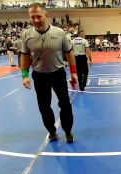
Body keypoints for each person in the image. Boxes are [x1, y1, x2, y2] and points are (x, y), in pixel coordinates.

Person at [20, 3, 78, 143]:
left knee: (65, 104)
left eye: (39, 16)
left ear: (46, 15)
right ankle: (51, 131)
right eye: (32, 17)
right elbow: (25, 55)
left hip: (57, 74)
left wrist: (74, 73)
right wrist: (25, 75)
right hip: (39, 76)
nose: (36, 20)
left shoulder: (59, 33)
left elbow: (69, 52)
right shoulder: (26, 34)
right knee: (44, 106)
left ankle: (68, 130)